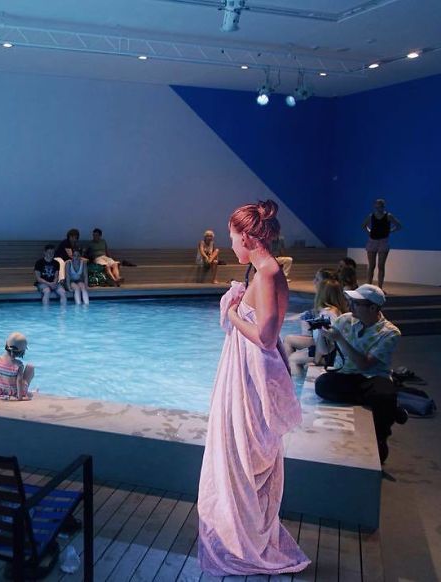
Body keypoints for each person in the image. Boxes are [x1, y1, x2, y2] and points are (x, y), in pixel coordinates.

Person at [198, 200, 309, 576]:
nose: (230, 244)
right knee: (241, 455)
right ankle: (243, 534)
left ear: (246, 236)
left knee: (243, 457)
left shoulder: (267, 274)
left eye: (232, 237)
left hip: (252, 378)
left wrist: (232, 311)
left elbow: (265, 337)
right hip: (246, 372)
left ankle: (246, 540)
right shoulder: (264, 271)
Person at [315, 284, 407, 463]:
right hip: (346, 374)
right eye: (351, 301)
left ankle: (381, 436)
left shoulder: (390, 333)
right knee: (322, 385)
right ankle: (390, 408)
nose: (350, 306)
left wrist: (340, 339)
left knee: (383, 394)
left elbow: (365, 365)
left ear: (372, 308)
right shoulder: (344, 320)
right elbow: (324, 351)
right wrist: (321, 335)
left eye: (356, 303)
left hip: (373, 377)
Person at [286, 279, 348, 375]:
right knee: (290, 344)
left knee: (293, 359)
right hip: (333, 352)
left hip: (329, 356)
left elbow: (324, 340)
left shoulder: (327, 314)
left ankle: (295, 381)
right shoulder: (336, 310)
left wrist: (316, 360)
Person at [282, 267, 337, 359]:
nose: (314, 281)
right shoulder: (330, 303)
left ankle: (291, 365)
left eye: (317, 279)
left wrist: (317, 359)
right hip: (322, 344)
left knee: (289, 342)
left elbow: (325, 337)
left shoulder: (327, 311)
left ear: (325, 283)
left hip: (324, 349)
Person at [361, 198, 402, 288]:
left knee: (381, 265)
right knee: (372, 265)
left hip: (383, 241)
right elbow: (363, 225)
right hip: (372, 241)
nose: (378, 208)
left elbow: (399, 225)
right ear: (375, 206)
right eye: (377, 206)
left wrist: (390, 231)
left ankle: (380, 287)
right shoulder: (371, 216)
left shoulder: (388, 216)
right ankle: (369, 286)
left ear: (383, 206)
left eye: (380, 206)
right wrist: (369, 232)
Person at [0, 332, 36, 401]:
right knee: (30, 367)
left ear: (6, 344)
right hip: (14, 393)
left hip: (0, 392)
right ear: (21, 352)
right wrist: (20, 398)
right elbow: (19, 381)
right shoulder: (18, 365)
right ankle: (26, 392)